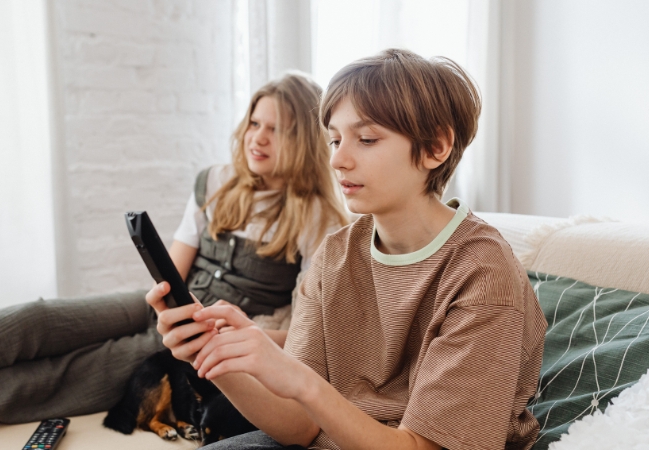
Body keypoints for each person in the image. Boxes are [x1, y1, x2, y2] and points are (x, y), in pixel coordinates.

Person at [0, 72, 348, 442]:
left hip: (206, 336)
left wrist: (245, 334)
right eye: (254, 123)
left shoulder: (320, 219)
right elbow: (173, 266)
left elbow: (306, 330)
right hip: (165, 305)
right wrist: (160, 301)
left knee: (66, 374)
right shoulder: (215, 181)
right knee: (38, 320)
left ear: (304, 138)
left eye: (276, 129)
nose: (258, 138)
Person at [150, 49, 548, 450]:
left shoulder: (482, 272)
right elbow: (300, 426)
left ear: (436, 147)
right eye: (335, 140)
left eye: (367, 139)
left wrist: (303, 383)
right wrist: (214, 354)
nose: (338, 159)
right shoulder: (336, 253)